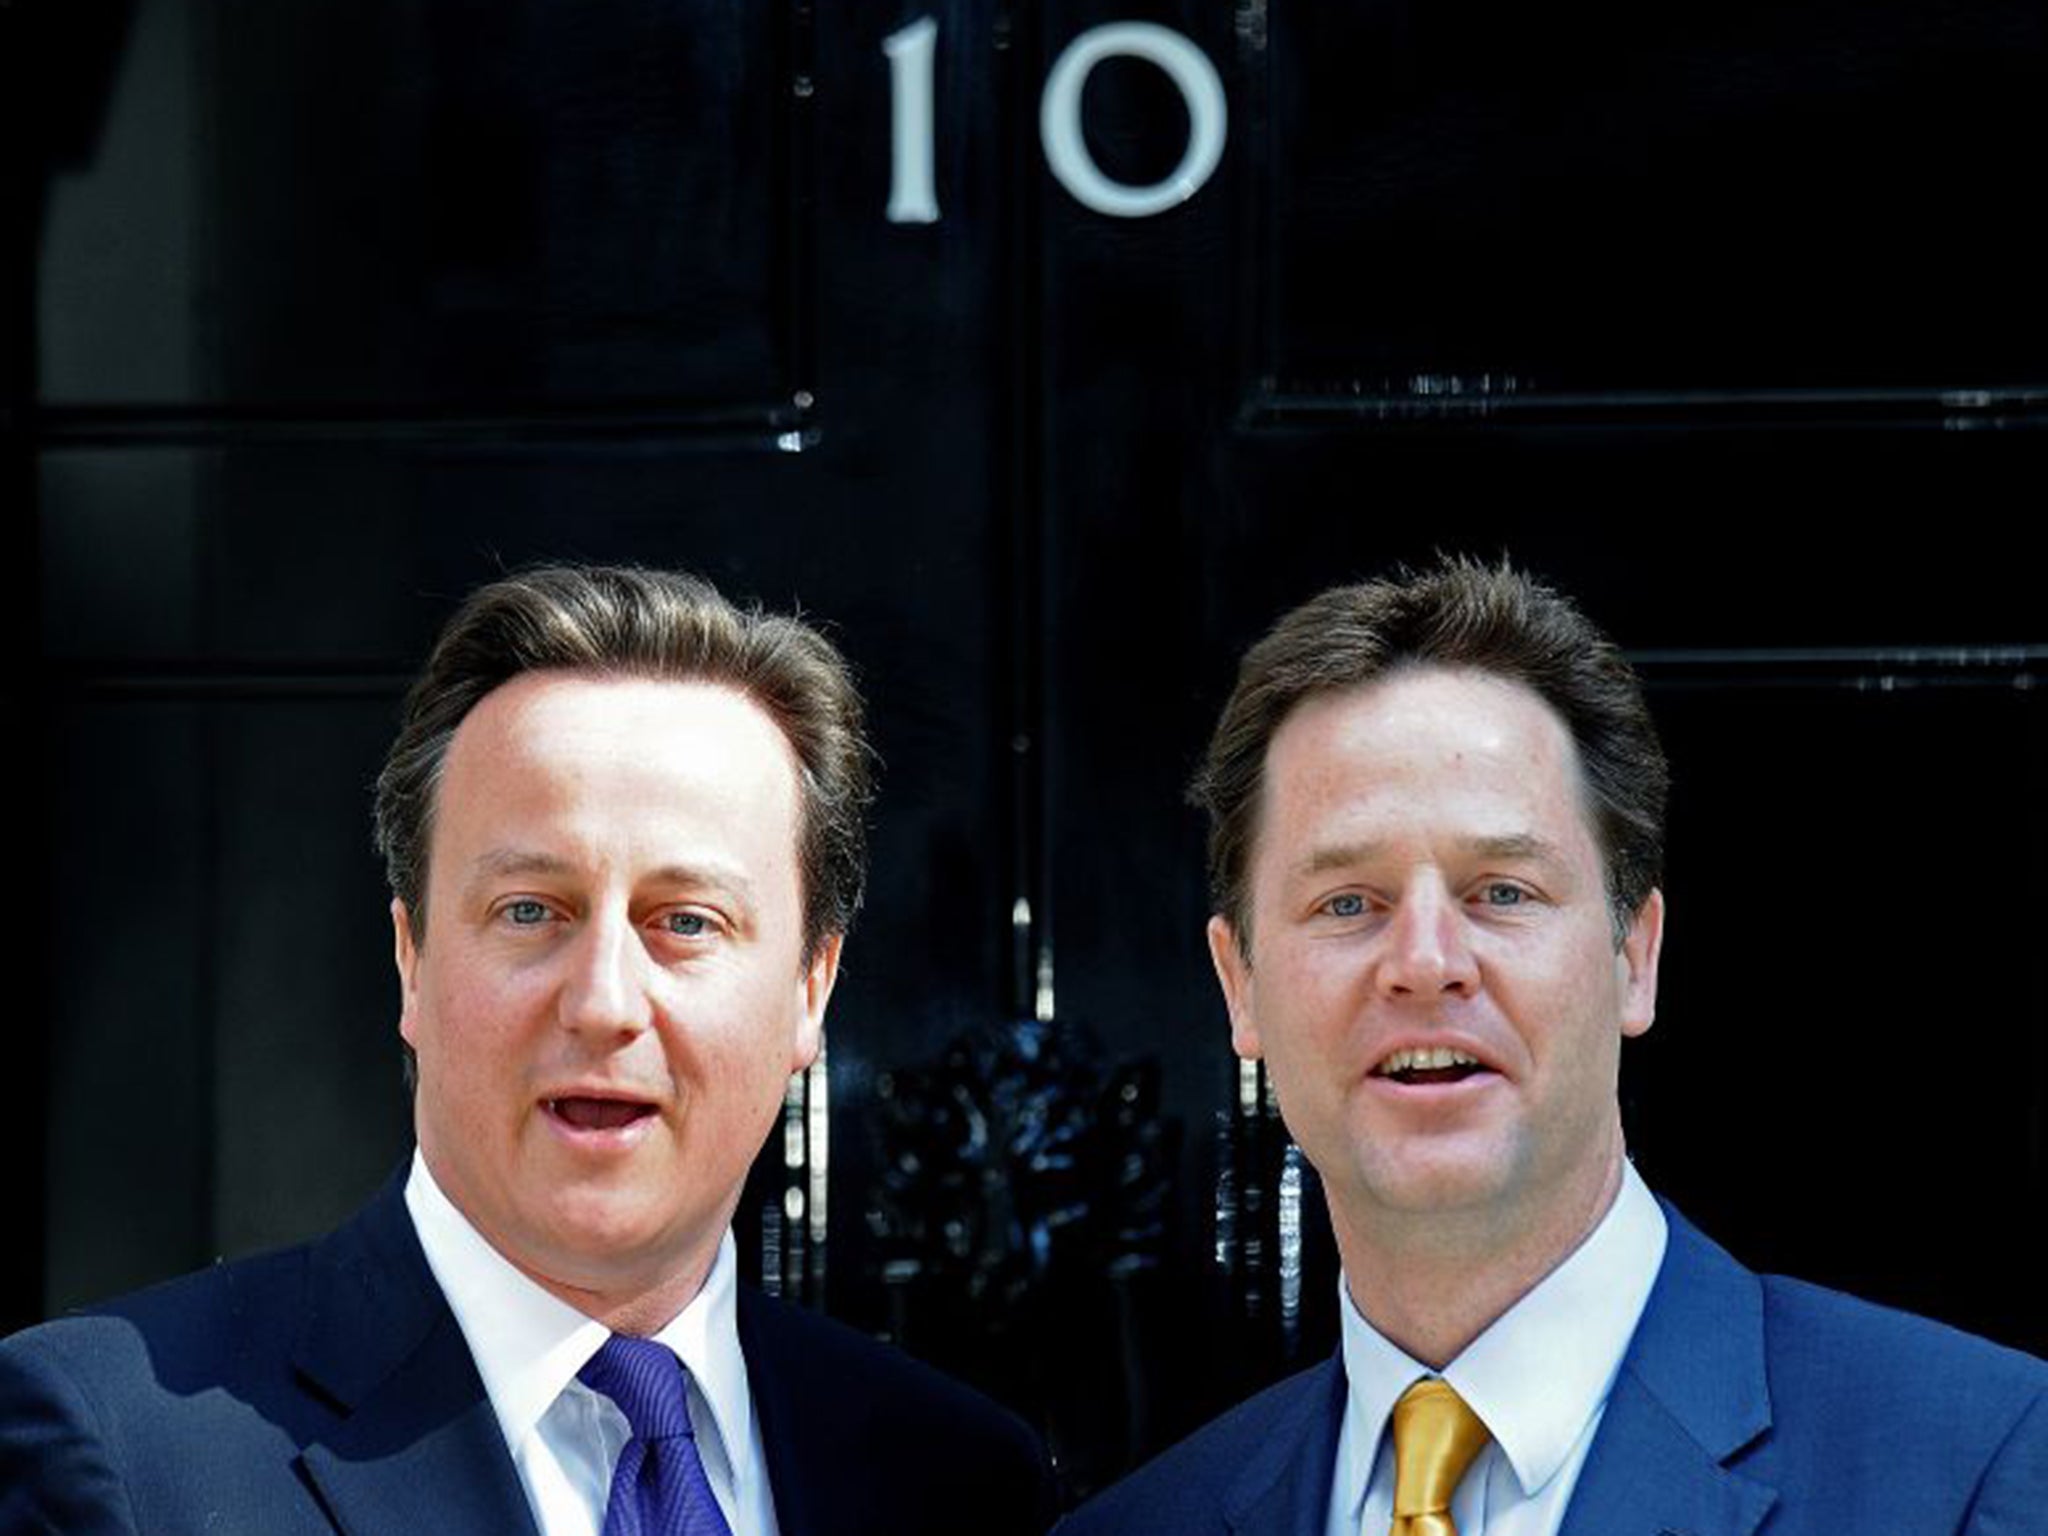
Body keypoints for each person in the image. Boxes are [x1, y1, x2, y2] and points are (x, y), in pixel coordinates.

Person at [0, 565, 1054, 1536]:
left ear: (808, 989)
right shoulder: (113, 1452)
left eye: (684, 921)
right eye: (529, 910)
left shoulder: (955, 1481)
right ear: (411, 961)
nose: (601, 1004)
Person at [1062, 559, 2046, 1536]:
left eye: (1501, 891)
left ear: (1633, 954)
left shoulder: (1976, 1467)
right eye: (1347, 902)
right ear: (1240, 988)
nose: (1424, 962)